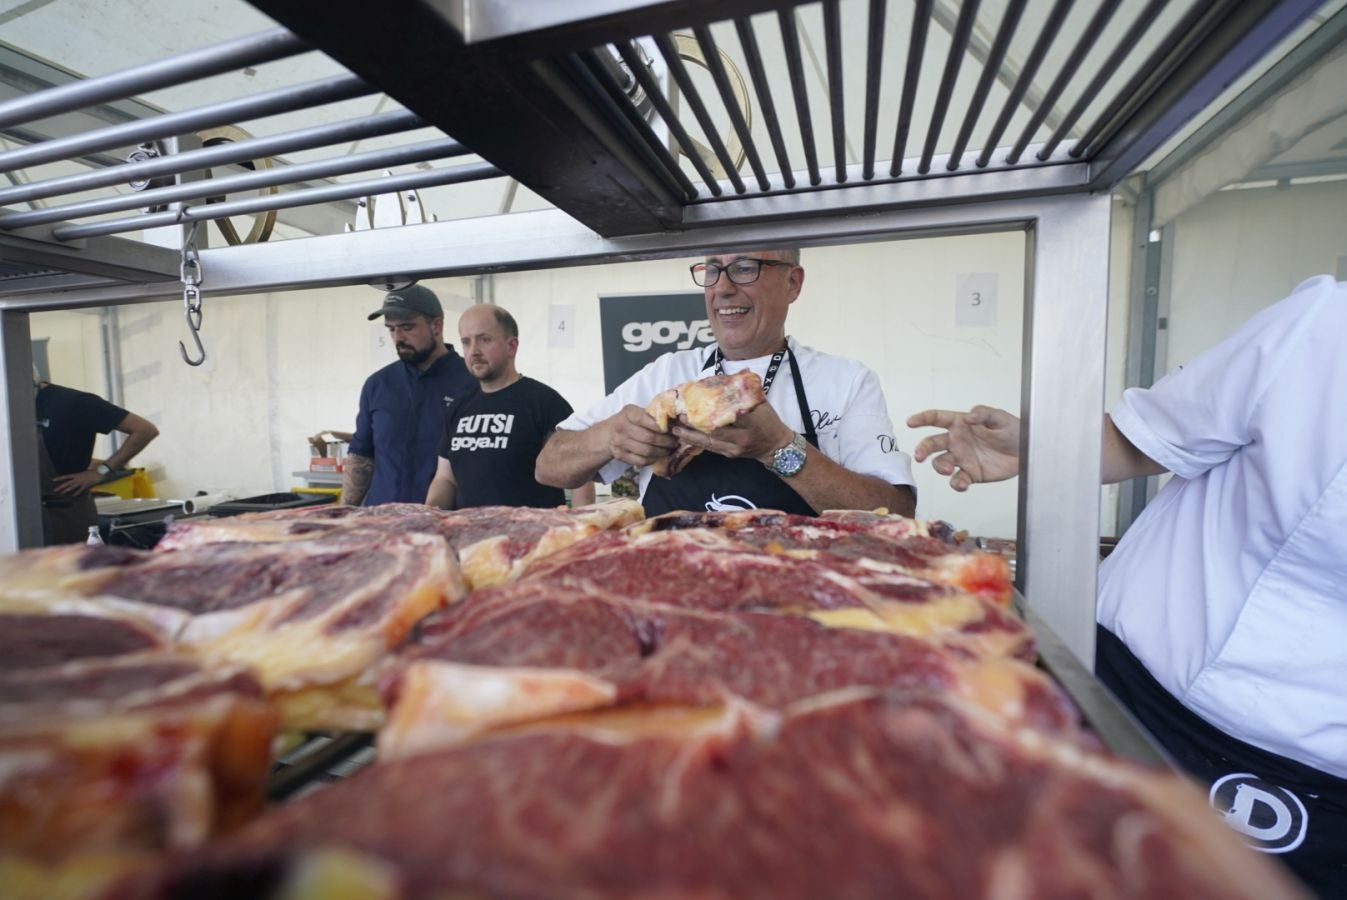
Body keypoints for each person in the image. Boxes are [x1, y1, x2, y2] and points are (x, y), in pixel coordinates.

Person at [906, 274, 1347, 896]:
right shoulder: (1326, 325)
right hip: (1118, 680)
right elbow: (1149, 439)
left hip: (1315, 778)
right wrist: (1039, 446)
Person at [536, 249, 916, 518]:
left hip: (794, 602)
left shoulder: (846, 381)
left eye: (745, 267)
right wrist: (609, 436)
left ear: (793, 283)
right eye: (713, 269)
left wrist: (779, 447)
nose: (723, 287)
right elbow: (549, 466)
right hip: (671, 601)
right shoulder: (666, 373)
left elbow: (895, 516)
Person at [426, 305, 594, 509]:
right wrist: (431, 517)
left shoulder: (544, 402)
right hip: (473, 538)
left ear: (511, 346)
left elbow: (581, 478)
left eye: (484, 339)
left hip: (535, 537)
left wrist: (582, 531)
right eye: (466, 342)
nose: (474, 351)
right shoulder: (459, 407)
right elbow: (445, 478)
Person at [343, 284, 474, 506]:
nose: (398, 337)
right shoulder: (378, 385)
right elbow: (361, 456)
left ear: (437, 326)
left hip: (446, 522)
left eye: (407, 327)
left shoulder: (471, 383)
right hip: (381, 522)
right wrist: (344, 515)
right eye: (391, 329)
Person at [35, 379, 159, 544]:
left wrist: (101, 471)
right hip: (24, 517)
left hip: (67, 516)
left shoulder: (74, 402)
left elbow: (144, 430)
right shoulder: (9, 408)